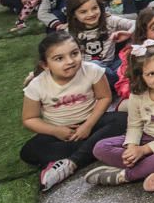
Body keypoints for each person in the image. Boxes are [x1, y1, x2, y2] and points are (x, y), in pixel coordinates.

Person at [20, 32, 127, 191]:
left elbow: (104, 97)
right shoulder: (37, 85)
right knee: (29, 151)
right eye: (59, 58)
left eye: (74, 54)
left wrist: (88, 125)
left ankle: (72, 162)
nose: (70, 61)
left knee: (124, 120)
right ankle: (92, 150)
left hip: (93, 124)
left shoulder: (92, 70)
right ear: (45, 65)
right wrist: (56, 131)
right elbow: (29, 119)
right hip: (62, 133)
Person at [87, 40, 154, 192]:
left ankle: (127, 175)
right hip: (148, 136)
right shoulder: (137, 95)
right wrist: (132, 148)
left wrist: (143, 150)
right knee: (100, 148)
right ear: (141, 76)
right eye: (151, 74)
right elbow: (134, 125)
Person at [65, 0, 134, 85]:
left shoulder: (109, 20)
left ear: (100, 7)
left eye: (94, 8)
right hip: (88, 69)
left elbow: (136, 24)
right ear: (74, 14)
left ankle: (118, 80)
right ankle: (118, 81)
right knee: (94, 65)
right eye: (83, 12)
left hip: (112, 64)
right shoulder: (69, 31)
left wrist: (128, 33)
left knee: (132, 55)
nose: (91, 14)